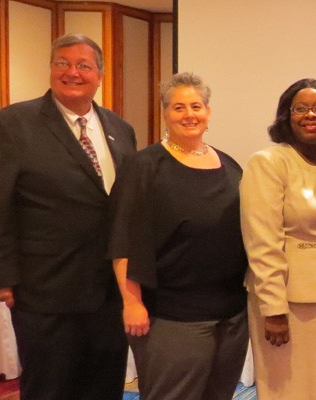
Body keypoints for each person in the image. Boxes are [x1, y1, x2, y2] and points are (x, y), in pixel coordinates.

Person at [0, 33, 134, 399]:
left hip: (109, 290)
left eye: (83, 65)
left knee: (105, 383)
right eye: (62, 63)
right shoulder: (10, 124)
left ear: (100, 75)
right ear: (51, 69)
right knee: (51, 386)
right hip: (44, 290)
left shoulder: (121, 130)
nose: (72, 72)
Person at [108, 72, 248, 400]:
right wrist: (131, 301)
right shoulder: (144, 166)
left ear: (208, 112)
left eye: (196, 106)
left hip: (231, 315)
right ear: (166, 114)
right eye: (178, 107)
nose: (189, 114)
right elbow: (123, 237)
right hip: (171, 317)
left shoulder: (229, 166)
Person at [240, 78, 316, 399]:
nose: (310, 115)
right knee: (287, 391)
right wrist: (273, 308)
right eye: (300, 109)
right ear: (286, 116)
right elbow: (262, 240)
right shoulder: (269, 162)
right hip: (288, 302)